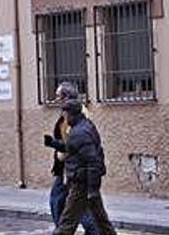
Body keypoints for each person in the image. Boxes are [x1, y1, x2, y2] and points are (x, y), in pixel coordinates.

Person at [45, 99, 117, 235]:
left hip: (82, 184)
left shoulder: (80, 132)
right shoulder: (84, 126)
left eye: (65, 115)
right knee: (101, 220)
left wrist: (92, 190)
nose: (64, 118)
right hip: (86, 182)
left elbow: (93, 161)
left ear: (71, 114)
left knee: (67, 221)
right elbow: (73, 147)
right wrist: (54, 143)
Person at [47, 83, 97, 235]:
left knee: (60, 202)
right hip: (73, 170)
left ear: (66, 97)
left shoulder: (73, 116)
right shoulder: (77, 112)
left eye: (58, 97)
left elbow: (71, 144)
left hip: (70, 170)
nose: (56, 100)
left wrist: (60, 155)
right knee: (67, 204)